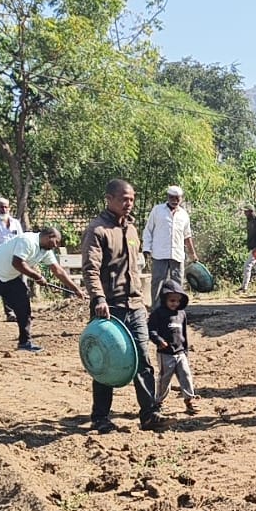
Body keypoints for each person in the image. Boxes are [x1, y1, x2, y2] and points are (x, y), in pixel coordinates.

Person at [83, 180, 167, 433]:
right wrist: (98, 298)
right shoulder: (97, 230)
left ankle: (150, 414)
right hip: (110, 309)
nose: (128, 203)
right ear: (109, 199)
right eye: (123, 199)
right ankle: (100, 417)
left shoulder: (131, 230)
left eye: (131, 199)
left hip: (135, 305)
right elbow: (90, 269)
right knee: (106, 363)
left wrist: (144, 302)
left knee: (143, 359)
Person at [0, 225, 83, 357]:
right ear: (49, 236)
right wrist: (37, 276)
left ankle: (24, 342)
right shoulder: (27, 240)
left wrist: (76, 290)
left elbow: (58, 270)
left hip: (10, 278)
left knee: (24, 308)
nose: (56, 245)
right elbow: (17, 263)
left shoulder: (45, 250)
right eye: (56, 242)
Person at [148, 277, 199, 416]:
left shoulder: (181, 314)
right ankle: (158, 402)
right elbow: (151, 330)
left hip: (180, 352)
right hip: (165, 353)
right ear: (164, 299)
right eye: (172, 300)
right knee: (165, 378)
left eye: (178, 301)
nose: (175, 303)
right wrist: (159, 340)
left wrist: (186, 350)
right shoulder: (158, 313)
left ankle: (190, 400)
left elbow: (184, 333)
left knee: (186, 375)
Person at [144, 185, 196, 287]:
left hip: (177, 255)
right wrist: (147, 248)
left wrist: (192, 254)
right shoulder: (157, 210)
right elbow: (148, 230)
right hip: (159, 254)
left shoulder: (184, 215)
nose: (174, 200)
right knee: (157, 282)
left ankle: (177, 303)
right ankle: (157, 303)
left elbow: (187, 236)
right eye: (172, 197)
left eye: (177, 198)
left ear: (181, 198)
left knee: (177, 284)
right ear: (168, 197)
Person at [0, 197, 24, 321]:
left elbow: (21, 239)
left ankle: (22, 311)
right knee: (6, 287)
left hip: (16, 258)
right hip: (1, 260)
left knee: (20, 286)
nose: (3, 209)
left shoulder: (15, 223)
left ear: (9, 208)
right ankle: (10, 313)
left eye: (5, 207)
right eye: (1, 207)